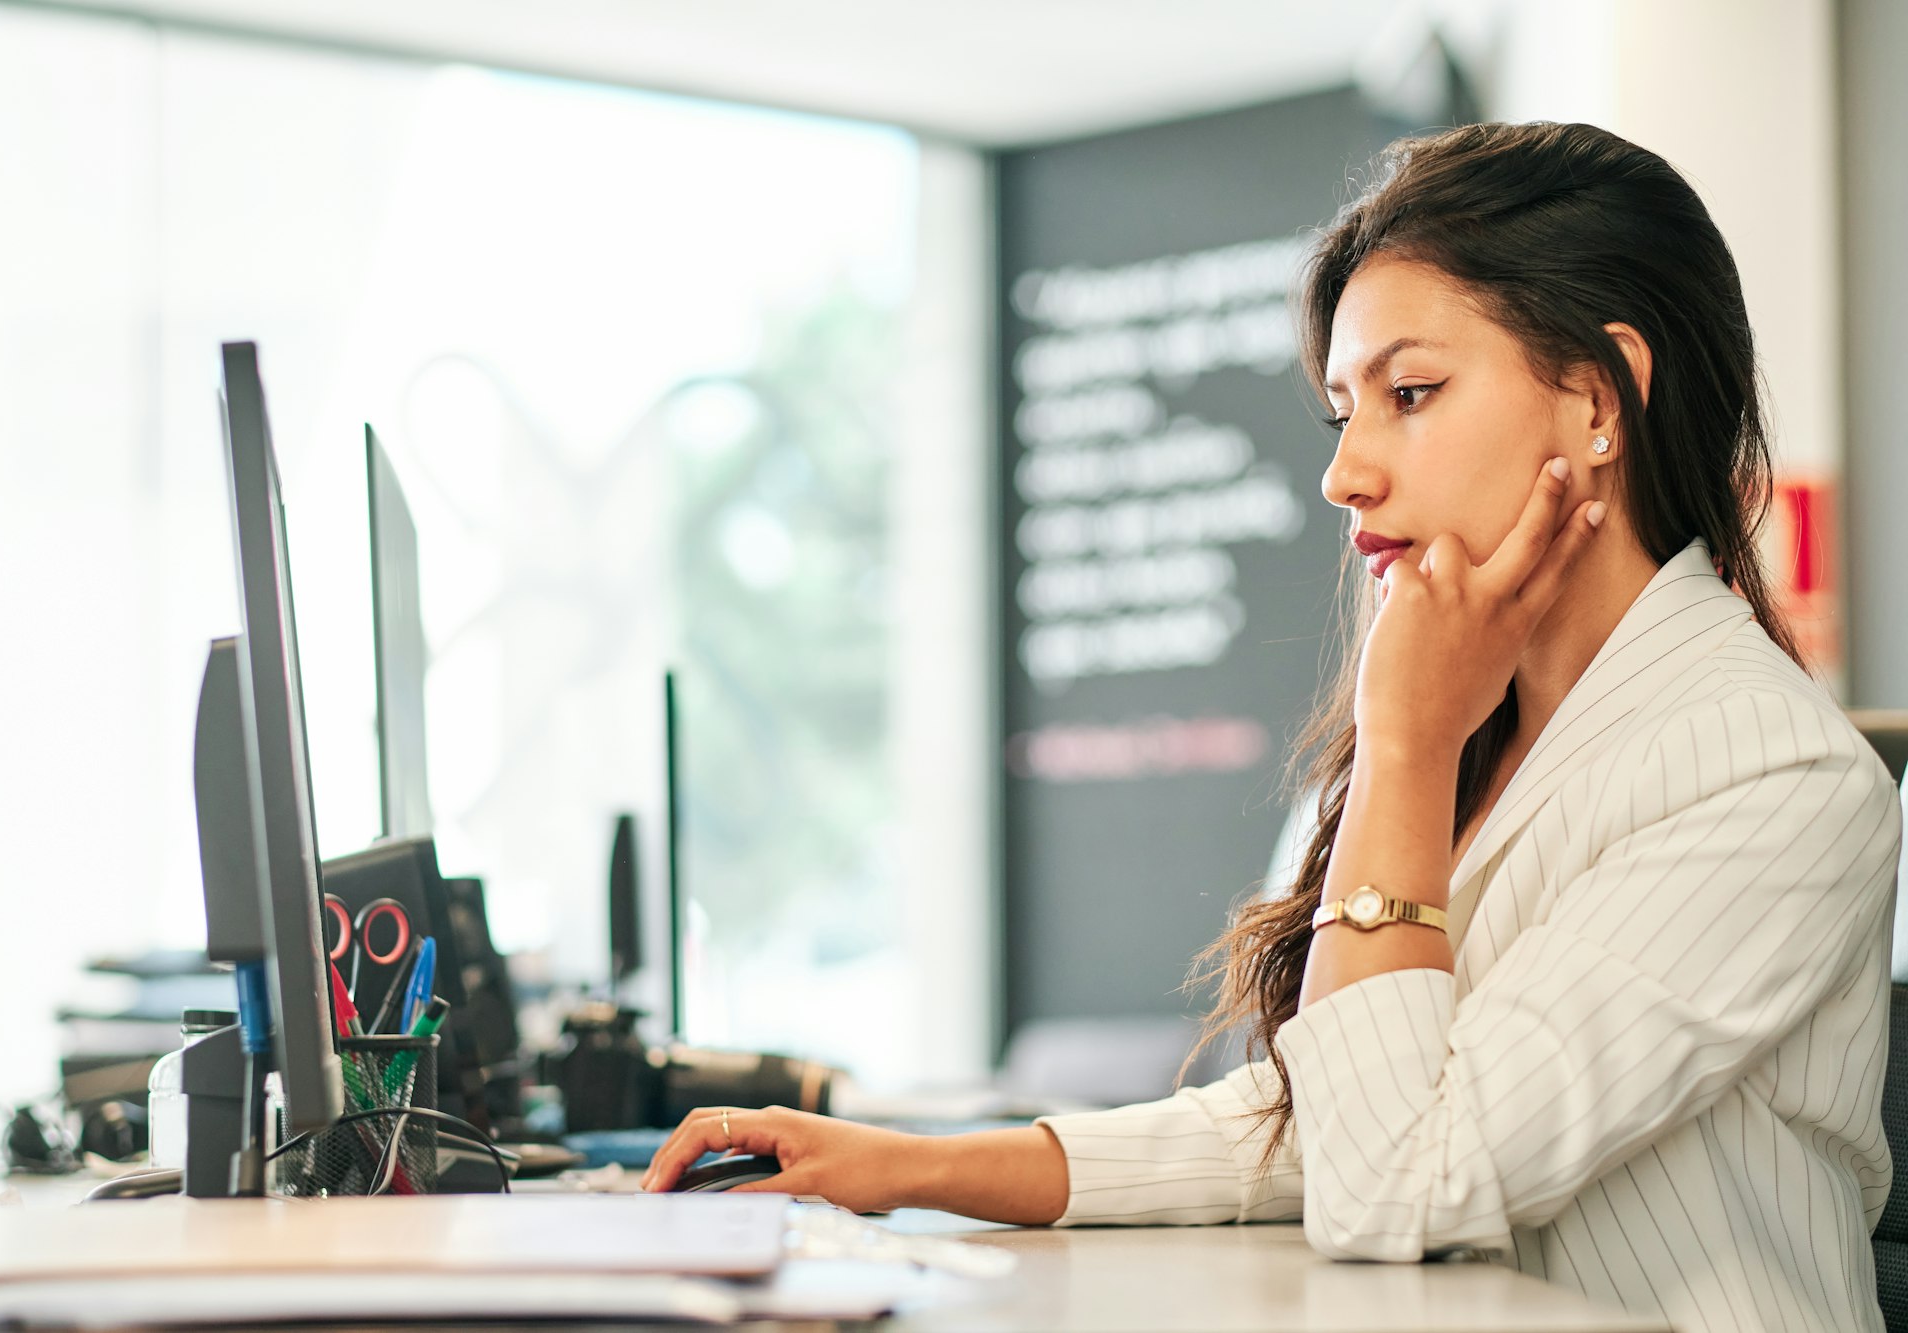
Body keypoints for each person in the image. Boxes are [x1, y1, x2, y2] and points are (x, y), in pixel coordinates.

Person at [643, 121, 1902, 1333]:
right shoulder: (1500, 735)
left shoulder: (1770, 774)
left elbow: (1403, 1181)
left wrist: (1401, 751)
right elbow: (1336, 1112)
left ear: (1597, 399)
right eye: (1342, 410)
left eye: (1408, 391)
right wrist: (905, 1165)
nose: (1342, 472)